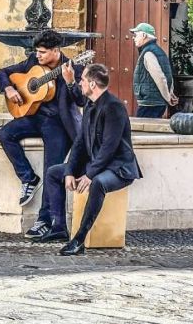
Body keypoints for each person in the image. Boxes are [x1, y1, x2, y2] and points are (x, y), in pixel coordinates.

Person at [42, 63, 142, 255]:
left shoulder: (114, 107)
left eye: (82, 81)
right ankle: (59, 227)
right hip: (96, 164)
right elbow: (80, 142)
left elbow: (109, 148)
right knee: (54, 173)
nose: (80, 84)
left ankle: (78, 240)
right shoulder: (90, 104)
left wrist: (89, 174)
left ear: (93, 84)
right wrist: (71, 171)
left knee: (97, 183)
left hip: (118, 168)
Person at [0, 30, 86, 239]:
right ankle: (28, 177)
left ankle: (45, 220)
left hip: (58, 125)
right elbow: (2, 72)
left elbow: (81, 101)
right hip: (34, 116)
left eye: (43, 52)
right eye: (37, 52)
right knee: (4, 134)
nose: (38, 55)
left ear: (56, 51)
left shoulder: (75, 68)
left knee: (51, 171)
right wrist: (8, 89)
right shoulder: (33, 63)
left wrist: (71, 82)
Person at [130, 22, 178, 118]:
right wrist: (170, 93)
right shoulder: (158, 51)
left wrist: (168, 97)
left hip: (150, 104)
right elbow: (167, 74)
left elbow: (160, 77)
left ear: (143, 35)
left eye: (136, 35)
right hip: (155, 103)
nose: (133, 38)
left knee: (142, 131)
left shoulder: (148, 53)